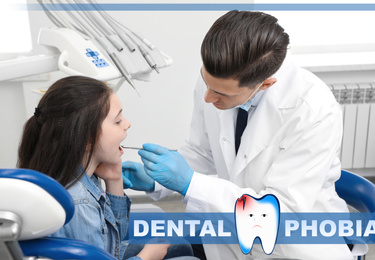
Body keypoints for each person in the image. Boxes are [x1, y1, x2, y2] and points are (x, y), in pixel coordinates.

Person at [122, 11, 356, 259]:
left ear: (265, 84)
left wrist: (190, 183)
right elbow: (204, 151)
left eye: (222, 94)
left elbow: (279, 213)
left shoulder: (313, 111)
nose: (208, 98)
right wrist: (155, 179)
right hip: (231, 233)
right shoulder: (220, 78)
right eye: (206, 83)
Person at [17, 76, 197, 260]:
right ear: (87, 139)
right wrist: (146, 258)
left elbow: (111, 239)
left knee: (178, 244)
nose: (127, 124)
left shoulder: (79, 175)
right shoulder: (80, 202)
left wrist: (114, 180)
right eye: (118, 121)